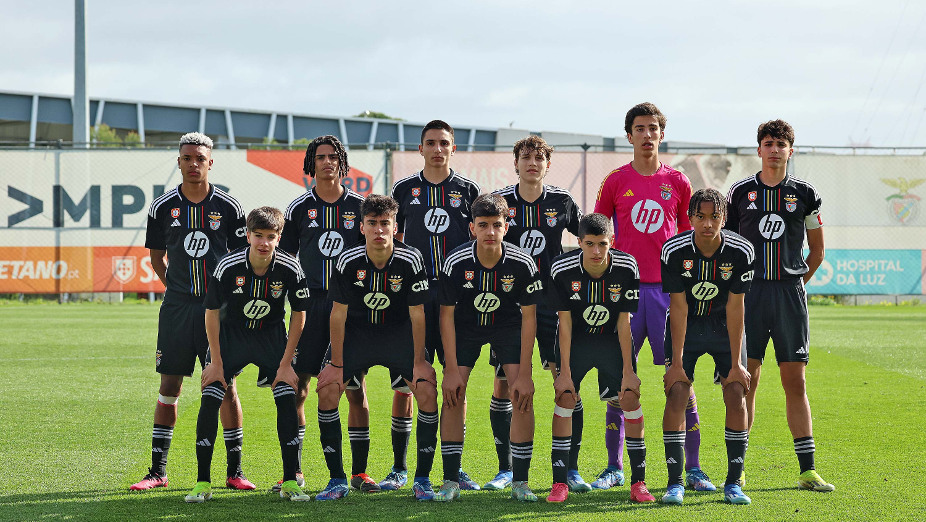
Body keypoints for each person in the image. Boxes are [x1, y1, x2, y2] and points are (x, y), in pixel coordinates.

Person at [593, 103, 713, 492]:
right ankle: (614, 466)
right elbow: (599, 234)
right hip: (624, 292)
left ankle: (692, 468)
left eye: (653, 128)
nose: (647, 135)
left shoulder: (678, 183)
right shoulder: (614, 181)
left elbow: (687, 240)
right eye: (640, 129)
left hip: (668, 292)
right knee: (619, 379)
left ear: (662, 134)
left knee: (680, 378)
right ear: (629, 136)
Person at [132, 132, 254, 492]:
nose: (194, 164)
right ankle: (157, 471)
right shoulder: (162, 207)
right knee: (169, 385)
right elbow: (156, 257)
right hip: (178, 308)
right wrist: (175, 288)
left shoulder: (230, 208)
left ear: (210, 162)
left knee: (225, 385)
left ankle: (235, 471)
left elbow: (239, 260)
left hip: (218, 309)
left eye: (200, 158)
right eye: (187, 158)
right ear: (180, 161)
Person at [724, 120, 834, 492]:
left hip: (789, 296)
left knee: (795, 381)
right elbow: (729, 247)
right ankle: (737, 470)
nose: (774, 149)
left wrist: (796, 286)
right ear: (758, 149)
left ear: (791, 150)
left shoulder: (805, 193)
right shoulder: (739, 193)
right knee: (745, 381)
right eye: (768, 143)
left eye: (781, 144)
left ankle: (807, 470)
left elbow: (817, 251)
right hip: (749, 295)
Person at [314, 195, 440, 501]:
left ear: (396, 227)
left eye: (385, 223)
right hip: (359, 335)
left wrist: (420, 361)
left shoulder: (411, 259)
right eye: (372, 223)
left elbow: (417, 313)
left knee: (425, 388)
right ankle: (337, 480)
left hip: (399, 335)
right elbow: (339, 313)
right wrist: (337, 364)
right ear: (362, 227)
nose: (379, 230)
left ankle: (421, 479)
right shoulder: (347, 260)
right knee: (329, 388)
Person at [184, 206, 310, 502]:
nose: (263, 243)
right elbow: (212, 313)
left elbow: (299, 314)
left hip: (271, 339)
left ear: (279, 237)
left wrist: (286, 363)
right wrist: (215, 362)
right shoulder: (227, 266)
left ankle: (290, 481)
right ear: (248, 235)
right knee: (211, 395)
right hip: (231, 338)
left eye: (270, 236)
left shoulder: (291, 267)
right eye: (258, 235)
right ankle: (203, 483)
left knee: (287, 396)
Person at [278, 135, 378, 492]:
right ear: (311, 163)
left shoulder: (360, 206)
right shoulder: (299, 209)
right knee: (300, 388)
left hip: (350, 309)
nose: (326, 162)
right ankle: (296, 471)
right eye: (319, 157)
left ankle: (359, 473)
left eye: (332, 156)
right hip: (312, 305)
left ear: (342, 162)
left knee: (354, 387)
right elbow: (285, 261)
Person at [388, 120, 481, 491]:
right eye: (431, 143)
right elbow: (392, 240)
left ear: (453, 148)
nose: (438, 149)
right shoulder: (403, 190)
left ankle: (453, 467)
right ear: (421, 148)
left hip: (457, 300)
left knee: (455, 382)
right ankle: (399, 467)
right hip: (414, 296)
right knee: (407, 383)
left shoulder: (469, 190)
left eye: (444, 143)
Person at [488, 136, 584, 492]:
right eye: (525, 157)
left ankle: (570, 469)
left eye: (539, 157)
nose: (532, 162)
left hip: (553, 306)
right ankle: (505, 469)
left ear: (547, 164)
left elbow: (589, 235)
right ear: (515, 162)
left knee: (567, 381)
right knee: (505, 385)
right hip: (511, 308)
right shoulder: (501, 203)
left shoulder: (561, 201)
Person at [435, 193, 542, 502]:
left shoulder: (522, 263)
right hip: (466, 327)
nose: (491, 232)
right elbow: (446, 316)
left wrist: (525, 372)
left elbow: (530, 318)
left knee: (522, 395)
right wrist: (451, 370)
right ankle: (450, 480)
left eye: (497, 225)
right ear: (472, 228)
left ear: (506, 227)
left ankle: (520, 481)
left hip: (508, 326)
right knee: (453, 395)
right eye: (484, 225)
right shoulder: (456, 261)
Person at [546, 213, 656, 504]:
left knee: (630, 398)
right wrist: (564, 372)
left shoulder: (627, 266)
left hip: (610, 341)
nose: (596, 251)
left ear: (612, 242)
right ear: (579, 242)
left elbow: (624, 324)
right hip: (578, 341)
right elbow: (565, 324)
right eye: (590, 244)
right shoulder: (561, 269)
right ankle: (559, 483)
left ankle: (638, 483)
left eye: (603, 244)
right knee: (566, 397)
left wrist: (630, 371)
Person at [660, 189, 755, 505]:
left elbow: (735, 306)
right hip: (687, 327)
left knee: (735, 392)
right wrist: (675, 362)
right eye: (700, 216)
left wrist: (737, 364)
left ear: (724, 219)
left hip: (722, 326)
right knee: (676, 391)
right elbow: (679, 306)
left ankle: (733, 483)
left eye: (715, 216)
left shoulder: (741, 251)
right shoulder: (673, 250)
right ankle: (675, 483)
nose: (707, 223)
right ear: (689, 218)